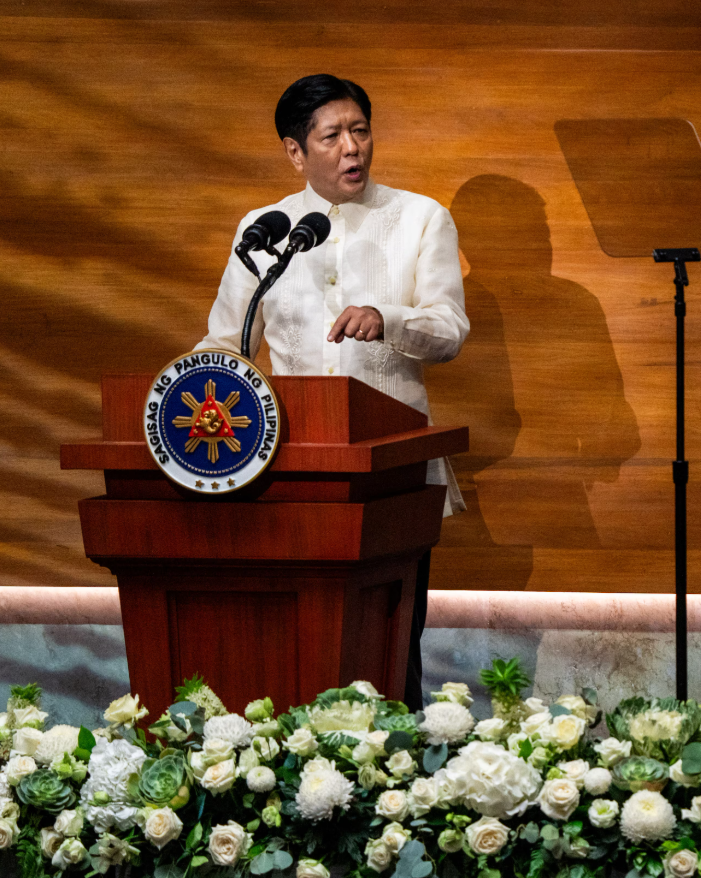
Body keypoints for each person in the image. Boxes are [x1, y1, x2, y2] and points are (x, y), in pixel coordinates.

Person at [196, 74, 469, 711]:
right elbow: (225, 346)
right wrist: (188, 393)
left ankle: (394, 783)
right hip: (287, 472)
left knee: (389, 643)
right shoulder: (263, 229)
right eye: (332, 136)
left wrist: (389, 319)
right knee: (289, 640)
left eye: (360, 130)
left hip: (390, 473)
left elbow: (450, 330)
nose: (352, 148)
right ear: (296, 151)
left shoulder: (420, 218)